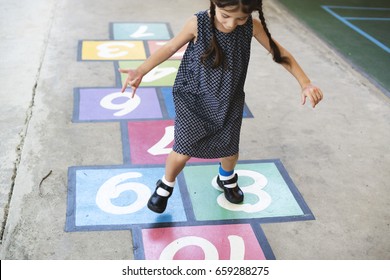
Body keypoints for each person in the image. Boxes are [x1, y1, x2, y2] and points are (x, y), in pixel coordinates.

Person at [119, 0, 323, 214]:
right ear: (214, 3)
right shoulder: (198, 23)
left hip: (228, 98)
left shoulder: (251, 26)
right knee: (183, 150)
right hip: (193, 97)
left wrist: (305, 82)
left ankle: (226, 178)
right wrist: (141, 70)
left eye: (241, 18)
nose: (232, 24)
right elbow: (171, 47)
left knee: (229, 150)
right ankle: (165, 185)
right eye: (225, 15)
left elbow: (279, 52)